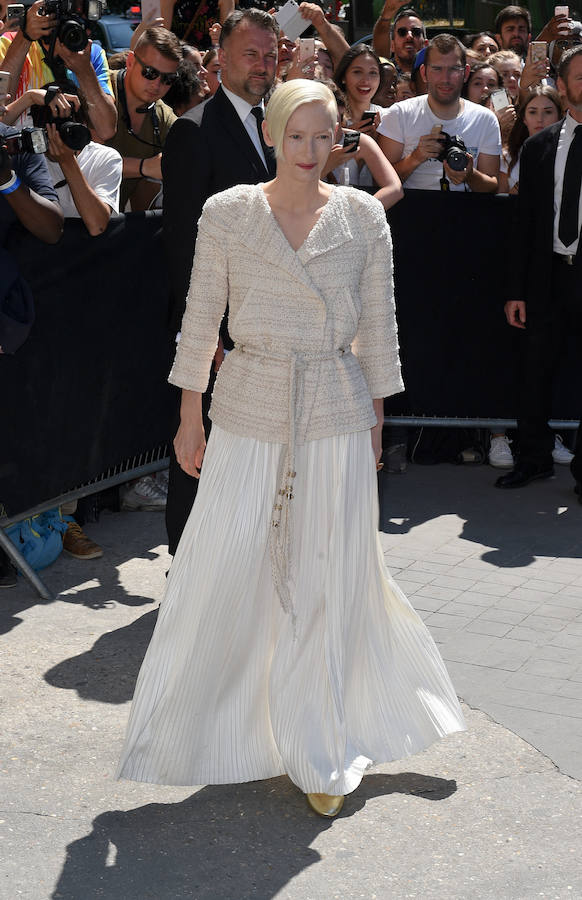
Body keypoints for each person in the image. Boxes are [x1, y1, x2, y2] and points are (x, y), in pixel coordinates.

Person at [117, 79, 465, 815]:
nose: (311, 152)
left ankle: (318, 742)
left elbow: (379, 328)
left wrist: (376, 422)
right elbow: (200, 317)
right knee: (229, 567)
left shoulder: (365, 216)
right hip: (247, 404)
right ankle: (223, 726)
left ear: (340, 137)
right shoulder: (228, 213)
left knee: (324, 578)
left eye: (324, 136)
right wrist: (189, 414)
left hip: (336, 411)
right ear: (272, 134)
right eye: (296, 136)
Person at [162, 7, 279, 556]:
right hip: (218, 328)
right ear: (221, 60)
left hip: (269, 323)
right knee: (198, 448)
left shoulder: (277, 126)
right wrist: (205, 336)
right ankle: (186, 565)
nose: (262, 65)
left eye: (270, 54)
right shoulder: (193, 131)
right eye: (251, 54)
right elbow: (183, 244)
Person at [495, 46, 582, 494]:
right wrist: (516, 289)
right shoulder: (538, 146)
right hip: (546, 275)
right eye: (580, 77)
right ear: (563, 86)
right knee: (533, 373)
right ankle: (533, 459)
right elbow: (523, 223)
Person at [378, 33, 501, 193]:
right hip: (409, 213)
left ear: (465, 73)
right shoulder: (399, 114)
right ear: (424, 73)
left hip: (466, 214)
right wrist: (416, 157)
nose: (445, 78)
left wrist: (470, 175)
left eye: (454, 69)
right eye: (437, 69)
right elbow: (380, 180)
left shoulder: (485, 119)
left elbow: (492, 186)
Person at [0, 0, 116, 141]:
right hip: (23, 158)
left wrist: (85, 71)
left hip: (74, 158)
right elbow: (2, 114)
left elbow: (107, 130)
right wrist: (25, 37)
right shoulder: (10, 43)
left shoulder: (91, 54)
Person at [105, 26, 179, 212]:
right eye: (150, 72)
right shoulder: (102, 91)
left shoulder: (163, 116)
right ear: (130, 62)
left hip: (116, 224)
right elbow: (81, 158)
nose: (157, 84)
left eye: (168, 79)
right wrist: (145, 167)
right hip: (69, 220)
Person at [372, 4, 428, 75]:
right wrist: (386, 16)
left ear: (426, 44)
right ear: (392, 46)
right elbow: (379, 53)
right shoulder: (385, 75)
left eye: (416, 32)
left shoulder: (435, 72)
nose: (409, 36)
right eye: (402, 32)